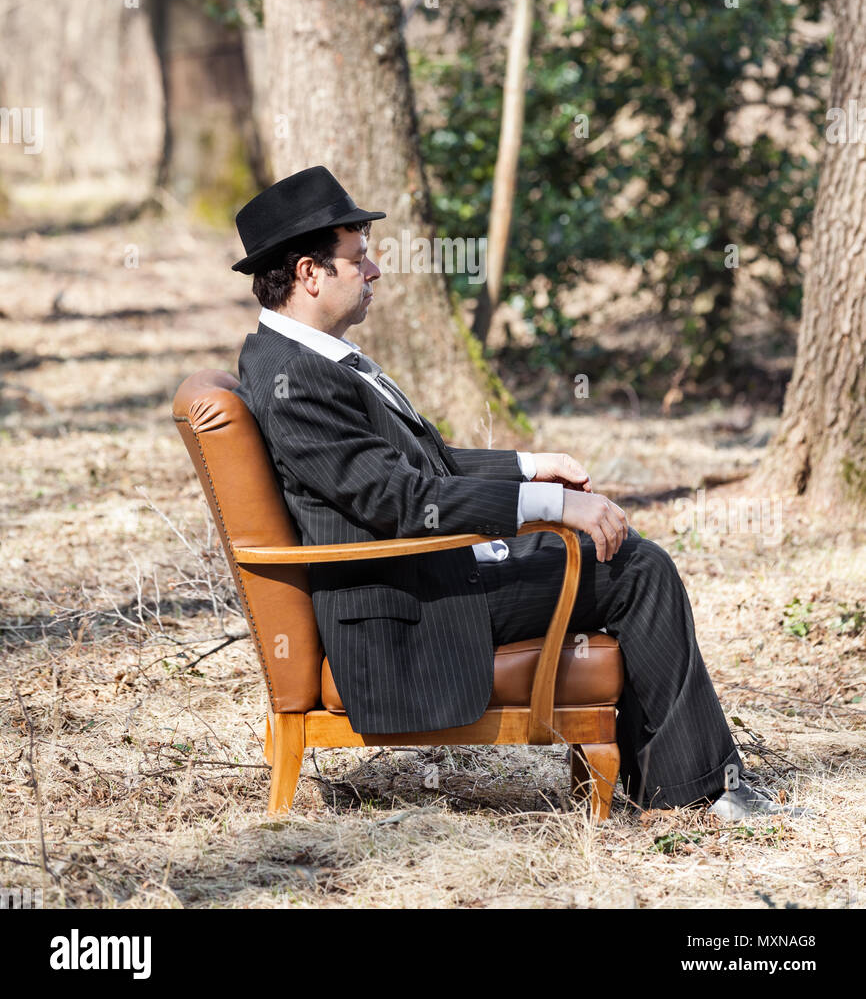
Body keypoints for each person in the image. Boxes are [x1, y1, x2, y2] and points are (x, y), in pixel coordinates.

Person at [234, 165, 801, 820]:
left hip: (419, 574)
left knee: (627, 559)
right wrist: (555, 508)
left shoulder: (306, 359)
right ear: (309, 273)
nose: (376, 271)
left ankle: (681, 783)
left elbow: (424, 465)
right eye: (358, 259)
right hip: (406, 609)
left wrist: (533, 468)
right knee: (637, 567)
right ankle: (701, 794)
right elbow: (401, 501)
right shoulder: (297, 377)